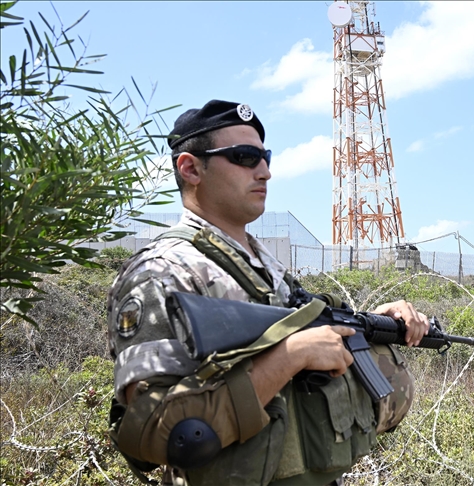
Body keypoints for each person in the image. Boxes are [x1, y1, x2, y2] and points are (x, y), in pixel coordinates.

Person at [106, 100, 428, 485]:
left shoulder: (265, 269)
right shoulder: (162, 274)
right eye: (244, 157)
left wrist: (375, 323)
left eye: (265, 156)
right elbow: (152, 435)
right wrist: (287, 358)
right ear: (190, 168)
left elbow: (300, 342)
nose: (265, 172)